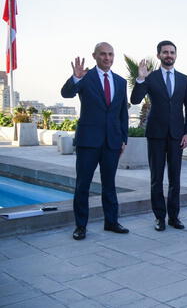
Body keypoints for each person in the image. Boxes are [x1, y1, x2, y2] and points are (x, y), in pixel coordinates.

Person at [61, 42, 129, 240]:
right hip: (88, 141)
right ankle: (80, 226)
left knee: (110, 184)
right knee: (83, 185)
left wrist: (123, 138)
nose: (107, 58)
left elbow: (122, 113)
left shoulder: (120, 81)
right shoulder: (86, 77)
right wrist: (75, 77)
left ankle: (111, 222)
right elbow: (66, 93)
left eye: (110, 54)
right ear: (94, 56)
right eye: (103, 54)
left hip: (112, 142)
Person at [130, 40, 187, 231]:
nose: (169, 55)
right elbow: (135, 99)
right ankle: (159, 217)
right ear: (158, 55)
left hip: (177, 136)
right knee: (156, 178)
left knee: (175, 178)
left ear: (176, 55)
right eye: (165, 52)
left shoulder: (185, 79)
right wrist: (140, 79)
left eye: (172, 52)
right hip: (156, 135)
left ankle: (174, 217)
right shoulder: (150, 78)